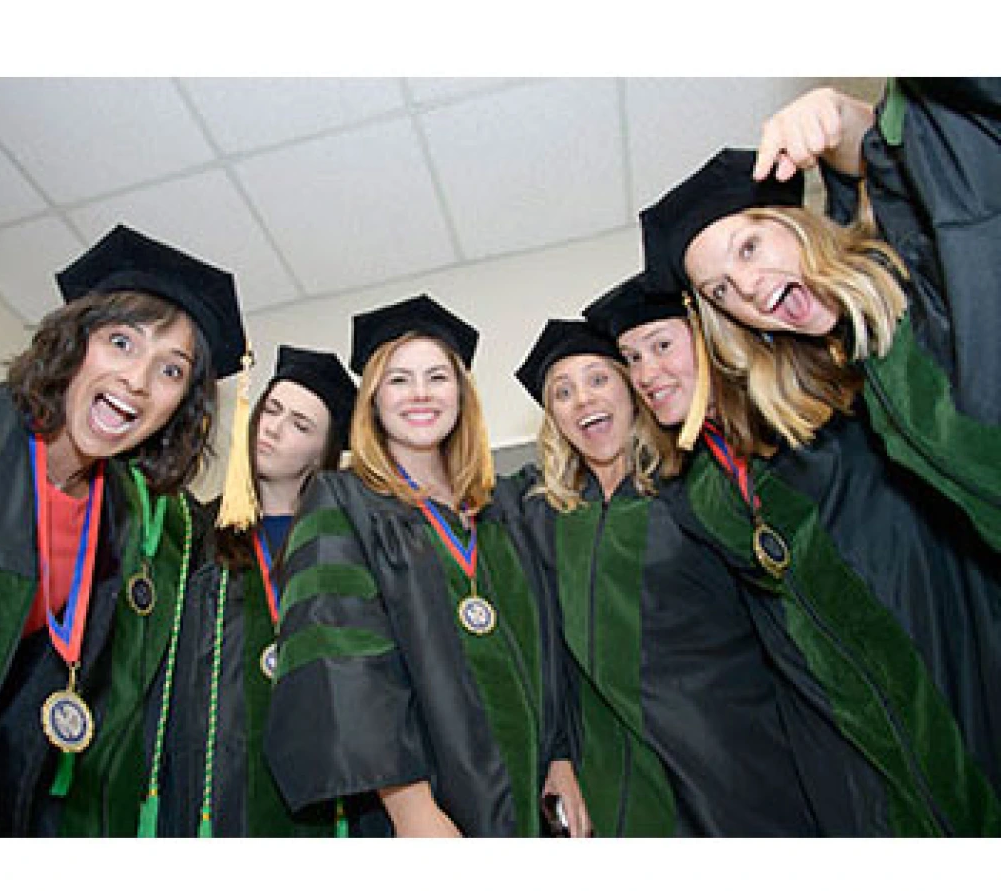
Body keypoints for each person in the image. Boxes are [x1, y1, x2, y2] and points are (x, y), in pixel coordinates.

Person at [0, 223, 245, 836]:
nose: (138, 381)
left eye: (171, 371)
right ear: (75, 341)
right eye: (122, 342)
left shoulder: (117, 523)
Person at [586, 272, 1001, 834]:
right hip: (838, 714)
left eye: (662, 346)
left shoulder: (813, 407)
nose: (646, 374)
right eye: (631, 359)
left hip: (934, 647)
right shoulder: (699, 485)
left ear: (708, 336)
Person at [264, 293, 587, 836]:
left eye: (437, 377)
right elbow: (344, 660)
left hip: (534, 791)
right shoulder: (342, 500)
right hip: (426, 806)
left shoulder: (502, 506)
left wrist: (560, 759)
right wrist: (409, 807)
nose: (419, 393)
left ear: (461, 394)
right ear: (372, 400)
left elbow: (550, 642)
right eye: (398, 379)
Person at [641, 80, 1001, 552]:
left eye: (749, 247)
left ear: (799, 226)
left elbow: (930, 171)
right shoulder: (863, 368)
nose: (746, 287)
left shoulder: (918, 269)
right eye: (721, 291)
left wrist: (844, 119)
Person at [140, 344, 356, 837]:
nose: (274, 429)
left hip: (314, 775)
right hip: (211, 775)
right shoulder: (197, 530)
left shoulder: (341, 543)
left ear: (321, 453)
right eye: (272, 411)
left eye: (300, 425)